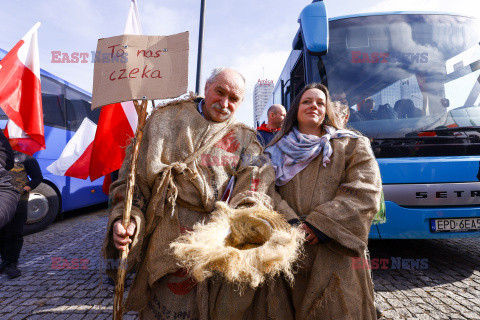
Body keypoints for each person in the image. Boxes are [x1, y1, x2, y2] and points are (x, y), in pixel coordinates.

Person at [103, 67, 275, 319]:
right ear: (206, 88)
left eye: (234, 99)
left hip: (213, 237)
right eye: (219, 92)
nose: (224, 103)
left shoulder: (246, 138)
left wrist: (244, 218)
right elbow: (131, 182)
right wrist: (123, 219)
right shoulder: (163, 120)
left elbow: (255, 181)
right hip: (164, 229)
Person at [266, 83, 382, 319]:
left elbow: (366, 189)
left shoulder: (352, 144)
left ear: (327, 109)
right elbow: (264, 190)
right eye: (307, 101)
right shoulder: (272, 151)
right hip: (288, 248)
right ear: (295, 109)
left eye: (320, 102)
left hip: (335, 250)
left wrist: (321, 224)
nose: (314, 106)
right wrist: (290, 222)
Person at [0, 150, 43, 278]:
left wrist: (24, 190)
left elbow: (37, 177)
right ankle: (5, 261)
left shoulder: (25, 157)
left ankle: (12, 263)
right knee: (1, 232)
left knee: (14, 232)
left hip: (19, 201)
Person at [0, 129, 19, 230]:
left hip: (21, 198)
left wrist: (26, 189)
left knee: (15, 231)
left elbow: (38, 177)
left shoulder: (27, 158)